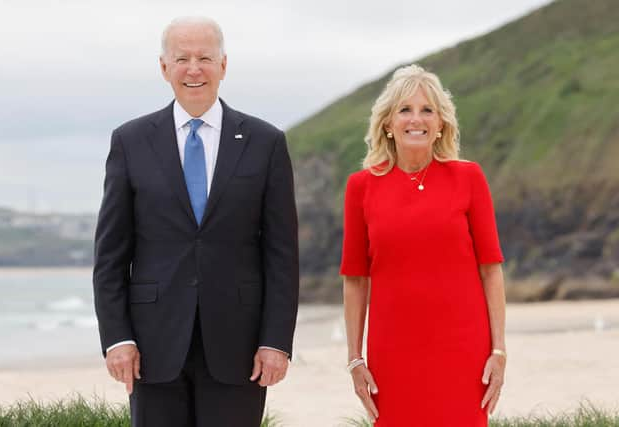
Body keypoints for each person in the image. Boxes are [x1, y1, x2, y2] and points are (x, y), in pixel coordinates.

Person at [93, 16, 299, 427]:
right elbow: (111, 255)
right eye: (182, 58)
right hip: (152, 346)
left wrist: (275, 341)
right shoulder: (130, 141)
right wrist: (118, 337)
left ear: (223, 65)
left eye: (205, 57)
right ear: (164, 67)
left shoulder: (266, 142)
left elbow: (281, 255)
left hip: (239, 346)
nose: (194, 69)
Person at [340, 64, 506, 426]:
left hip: (464, 352)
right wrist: (355, 358)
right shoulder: (361, 187)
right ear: (387, 123)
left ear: (441, 123)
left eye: (427, 110)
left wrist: (498, 350)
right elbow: (355, 279)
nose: (416, 119)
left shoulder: (469, 178)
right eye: (405, 110)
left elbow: (491, 269)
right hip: (393, 354)